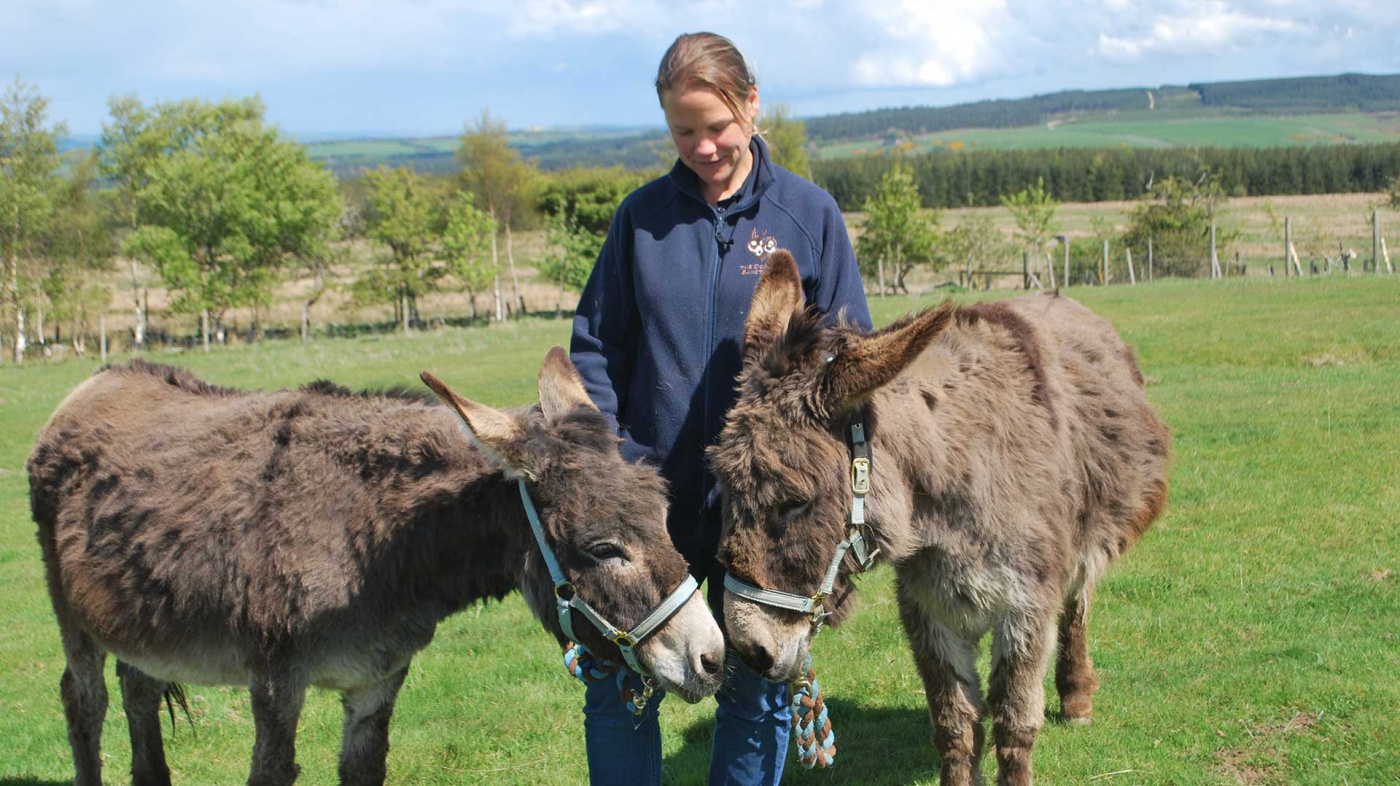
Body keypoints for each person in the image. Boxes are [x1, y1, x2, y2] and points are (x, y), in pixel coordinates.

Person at [569, 31, 872, 785]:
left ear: (752, 104)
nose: (703, 146)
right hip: (652, 506)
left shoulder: (810, 215)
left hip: (765, 512)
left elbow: (848, 354)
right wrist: (609, 467)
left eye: (717, 126)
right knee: (619, 684)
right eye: (684, 130)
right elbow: (597, 347)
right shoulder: (640, 222)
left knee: (758, 684)